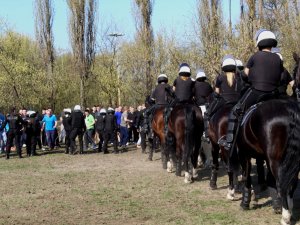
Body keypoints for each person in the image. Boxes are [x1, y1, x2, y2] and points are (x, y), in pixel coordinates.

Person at [219, 29, 283, 150]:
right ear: (272, 43)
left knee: (235, 111)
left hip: (257, 92)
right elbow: (280, 76)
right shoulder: (277, 59)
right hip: (274, 94)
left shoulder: (254, 56)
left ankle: (229, 141)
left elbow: (245, 74)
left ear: (259, 43)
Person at [203, 55, 243, 141]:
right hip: (237, 102)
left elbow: (217, 93)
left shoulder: (220, 77)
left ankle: (207, 135)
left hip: (224, 101)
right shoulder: (239, 77)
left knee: (207, 114)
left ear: (223, 67)